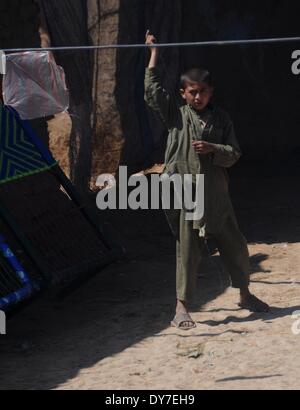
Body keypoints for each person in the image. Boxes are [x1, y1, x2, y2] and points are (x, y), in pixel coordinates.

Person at [144, 31, 269, 330]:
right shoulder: (175, 115)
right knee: (187, 249)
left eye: (203, 91)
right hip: (185, 193)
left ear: (211, 92)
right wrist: (154, 54)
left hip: (215, 193)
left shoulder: (222, 119)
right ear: (183, 94)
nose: (197, 97)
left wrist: (214, 149)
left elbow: (234, 152)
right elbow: (152, 90)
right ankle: (181, 308)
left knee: (235, 244)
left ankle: (245, 294)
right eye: (192, 92)